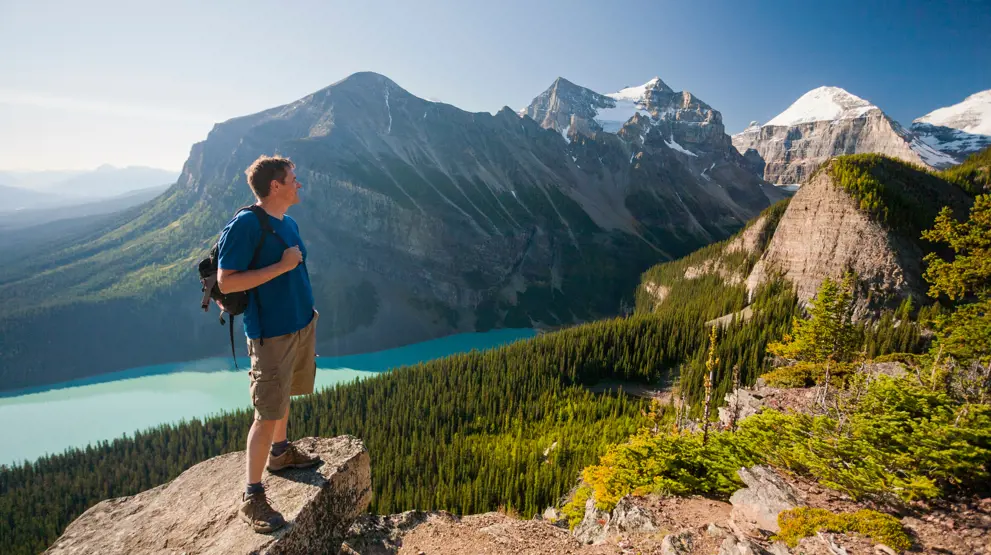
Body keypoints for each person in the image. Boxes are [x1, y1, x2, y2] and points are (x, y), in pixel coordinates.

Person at [216, 155, 321, 533]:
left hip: (298, 324)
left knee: (284, 395)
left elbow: (296, 268)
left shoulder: (288, 222)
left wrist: (307, 310)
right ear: (275, 186)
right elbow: (226, 281)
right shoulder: (245, 225)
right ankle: (252, 495)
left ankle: (280, 453)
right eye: (294, 178)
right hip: (270, 333)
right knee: (266, 411)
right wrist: (281, 266)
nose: (299, 184)